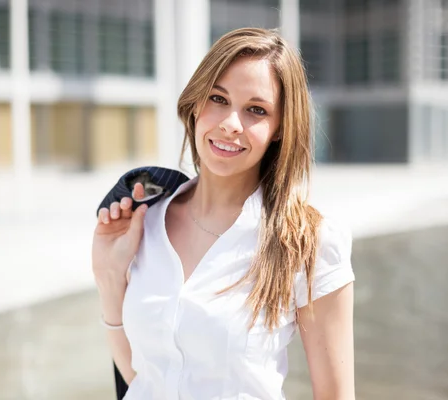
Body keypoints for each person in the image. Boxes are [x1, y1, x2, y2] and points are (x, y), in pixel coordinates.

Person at [92, 27, 355, 400]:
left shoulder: (309, 242)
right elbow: (143, 380)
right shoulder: (145, 222)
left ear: (280, 128)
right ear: (197, 103)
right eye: (218, 98)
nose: (231, 123)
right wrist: (109, 276)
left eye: (256, 110)